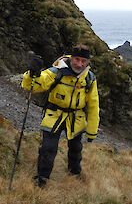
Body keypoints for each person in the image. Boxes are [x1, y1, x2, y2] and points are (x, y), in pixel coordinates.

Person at [21, 44, 100, 187]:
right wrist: (32, 73)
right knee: (48, 148)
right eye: (76, 59)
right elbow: (35, 85)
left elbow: (94, 106)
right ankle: (42, 179)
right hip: (54, 116)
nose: (79, 64)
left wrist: (92, 132)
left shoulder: (89, 78)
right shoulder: (57, 71)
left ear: (87, 62)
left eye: (83, 61)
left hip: (77, 119)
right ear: (71, 58)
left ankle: (74, 175)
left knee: (76, 150)